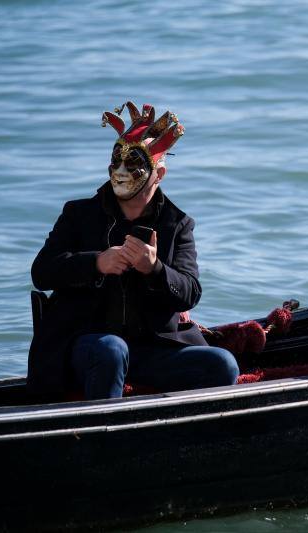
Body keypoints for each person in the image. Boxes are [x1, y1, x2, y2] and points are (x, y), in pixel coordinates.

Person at [27, 101, 239, 400]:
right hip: (86, 345)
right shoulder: (78, 214)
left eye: (135, 163)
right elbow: (42, 271)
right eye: (117, 162)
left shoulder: (177, 224)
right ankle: (103, 437)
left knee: (222, 364)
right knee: (113, 349)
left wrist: (154, 269)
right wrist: (97, 263)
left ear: (159, 174)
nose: (122, 171)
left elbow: (190, 291)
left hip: (153, 349)